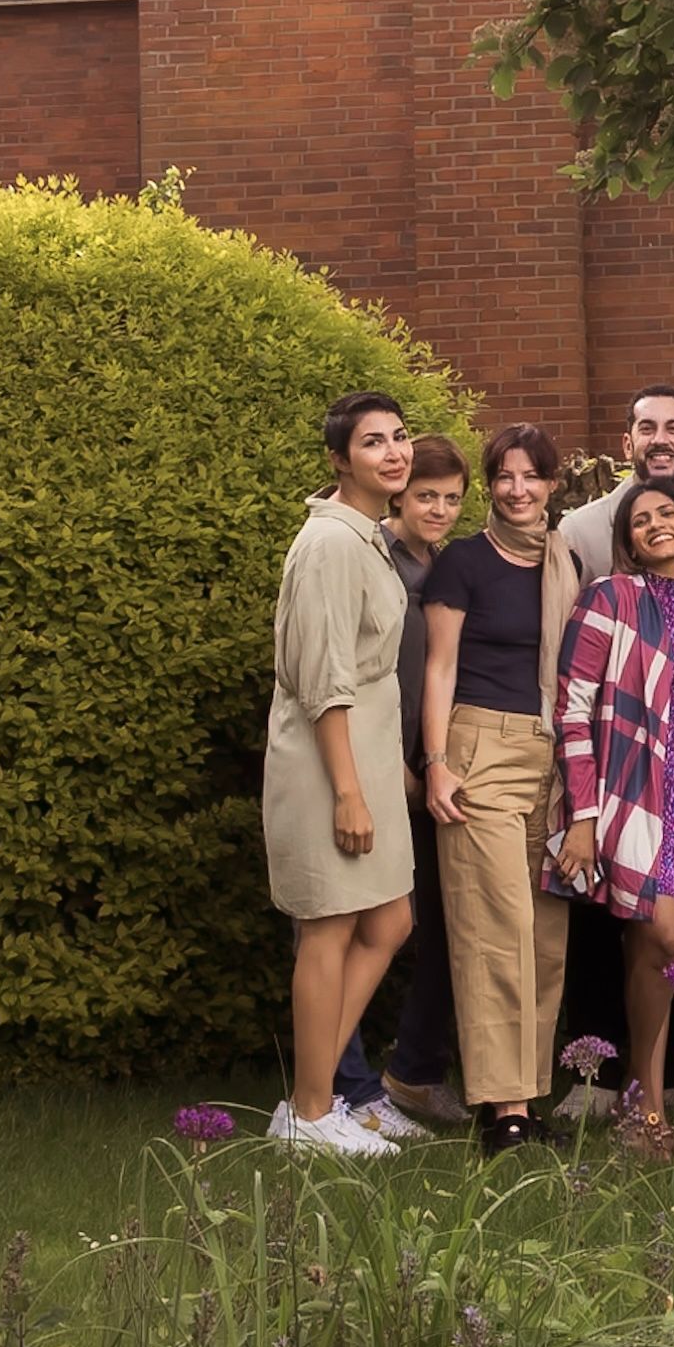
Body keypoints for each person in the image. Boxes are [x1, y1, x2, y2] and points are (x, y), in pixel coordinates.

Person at [549, 478, 674, 1130]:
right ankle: (648, 1101)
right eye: (640, 519)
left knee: (652, 946)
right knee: (664, 933)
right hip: (631, 792)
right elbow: (572, 709)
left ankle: (646, 1103)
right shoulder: (607, 598)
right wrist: (582, 814)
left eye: (666, 512)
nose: (655, 524)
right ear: (626, 538)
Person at [261, 392, 417, 1156]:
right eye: (371, 442)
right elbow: (323, 678)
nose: (393, 452)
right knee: (327, 927)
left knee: (390, 921)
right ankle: (314, 1109)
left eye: (398, 437)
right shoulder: (327, 544)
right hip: (330, 759)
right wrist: (349, 790)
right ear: (338, 459)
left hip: (372, 753)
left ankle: (309, 1099)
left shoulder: (370, 536)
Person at [422, 423, 581, 1153]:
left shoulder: (563, 562)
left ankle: (523, 1097)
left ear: (553, 484)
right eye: (505, 477)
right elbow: (439, 666)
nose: (518, 489)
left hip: (545, 752)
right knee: (495, 931)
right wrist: (436, 760)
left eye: (532, 476)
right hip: (478, 748)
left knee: (543, 937)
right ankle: (504, 1111)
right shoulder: (464, 561)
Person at [357, 435, 472, 1134]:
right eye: (426, 495)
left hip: (431, 766)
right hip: (375, 761)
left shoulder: (446, 562)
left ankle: (415, 1071)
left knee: (442, 922)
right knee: (354, 925)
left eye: (452, 497)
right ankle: (344, 1085)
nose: (438, 508)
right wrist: (388, 762)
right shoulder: (372, 554)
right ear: (399, 493)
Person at [560, 384, 674, 581]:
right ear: (628, 446)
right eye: (647, 429)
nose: (660, 440)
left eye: (673, 429)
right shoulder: (579, 533)